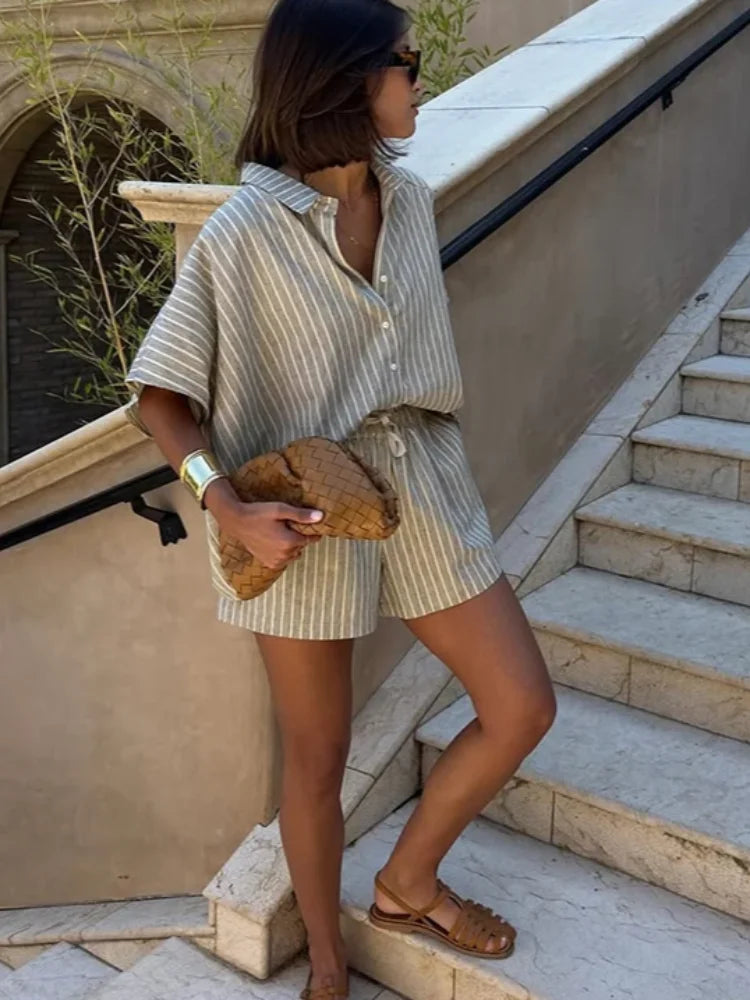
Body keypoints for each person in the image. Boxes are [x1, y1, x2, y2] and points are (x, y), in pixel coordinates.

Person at [124, 0, 557, 997]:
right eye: (405, 61)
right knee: (317, 760)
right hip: (305, 516)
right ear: (343, 80)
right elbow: (160, 396)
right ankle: (327, 963)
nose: (420, 78)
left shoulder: (409, 202)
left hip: (422, 484)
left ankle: (406, 881)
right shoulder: (242, 234)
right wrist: (224, 506)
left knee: (521, 702)